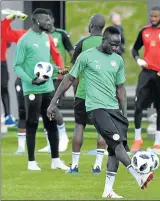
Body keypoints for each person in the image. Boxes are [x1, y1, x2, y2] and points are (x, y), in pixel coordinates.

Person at [47, 26, 154, 198]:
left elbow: (120, 88)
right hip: (96, 108)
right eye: (112, 44)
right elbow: (69, 79)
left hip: (114, 109)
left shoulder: (118, 60)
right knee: (117, 143)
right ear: (103, 40)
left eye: (118, 45)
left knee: (113, 151)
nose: (115, 48)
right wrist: (53, 102)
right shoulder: (87, 56)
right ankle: (138, 175)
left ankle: (108, 190)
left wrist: (124, 113)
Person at [2, 10, 71, 154]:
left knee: (49, 111)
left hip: (48, 80)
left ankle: (59, 139)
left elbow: (56, 54)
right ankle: (22, 147)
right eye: (45, 20)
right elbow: (4, 33)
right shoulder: (23, 36)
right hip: (25, 82)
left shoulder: (48, 38)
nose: (48, 23)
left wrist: (61, 71)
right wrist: (10, 18)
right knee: (24, 113)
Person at [64, 14, 107, 174]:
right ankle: (97, 166)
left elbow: (75, 72)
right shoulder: (108, 43)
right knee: (102, 129)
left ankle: (74, 166)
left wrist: (76, 91)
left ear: (91, 26)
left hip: (83, 93)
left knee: (79, 126)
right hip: (102, 95)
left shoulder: (82, 43)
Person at [131, 6, 160, 153]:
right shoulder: (144, 31)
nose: (153, 19)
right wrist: (138, 59)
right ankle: (137, 139)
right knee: (138, 106)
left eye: (156, 16)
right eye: (151, 16)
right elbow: (134, 49)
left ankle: (157, 143)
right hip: (146, 72)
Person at [38, 9, 75, 153]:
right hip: (44, 76)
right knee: (44, 108)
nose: (46, 22)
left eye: (48, 19)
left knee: (52, 106)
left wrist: (67, 69)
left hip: (58, 77)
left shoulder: (61, 34)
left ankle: (63, 136)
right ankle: (50, 140)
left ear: (52, 19)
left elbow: (72, 52)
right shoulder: (40, 36)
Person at [0, 14, 18, 127]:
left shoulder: (3, 27)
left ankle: (8, 116)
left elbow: (5, 24)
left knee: (4, 87)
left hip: (2, 62)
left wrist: (13, 15)